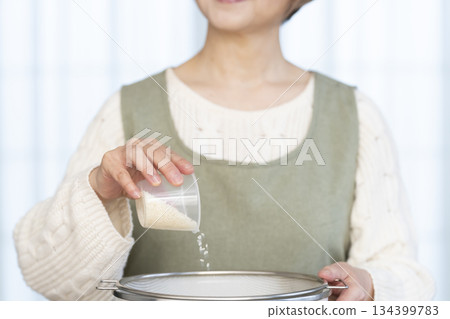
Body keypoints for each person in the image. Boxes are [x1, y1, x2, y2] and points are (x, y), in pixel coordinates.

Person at [14, 0, 434, 301]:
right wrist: (100, 193)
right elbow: (49, 279)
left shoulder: (355, 116)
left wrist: (371, 284)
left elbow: (404, 273)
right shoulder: (126, 110)